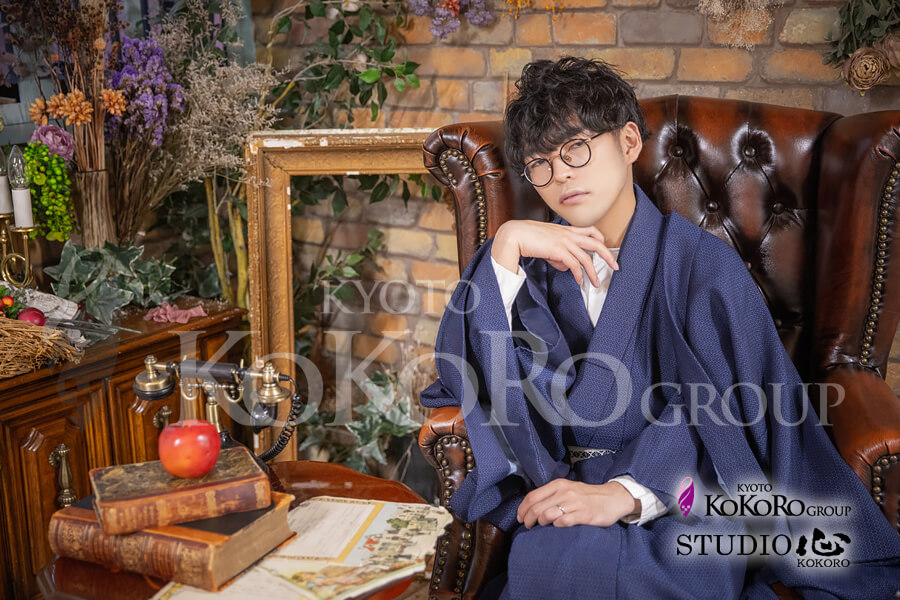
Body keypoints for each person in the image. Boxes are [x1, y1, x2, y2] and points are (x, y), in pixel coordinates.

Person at [420, 57, 900, 599]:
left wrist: (628, 492)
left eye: (575, 148)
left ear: (628, 142)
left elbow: (726, 408)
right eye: (540, 164)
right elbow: (474, 377)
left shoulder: (702, 266)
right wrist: (504, 249)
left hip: (686, 495)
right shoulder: (521, 264)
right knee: (550, 562)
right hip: (564, 491)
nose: (561, 175)